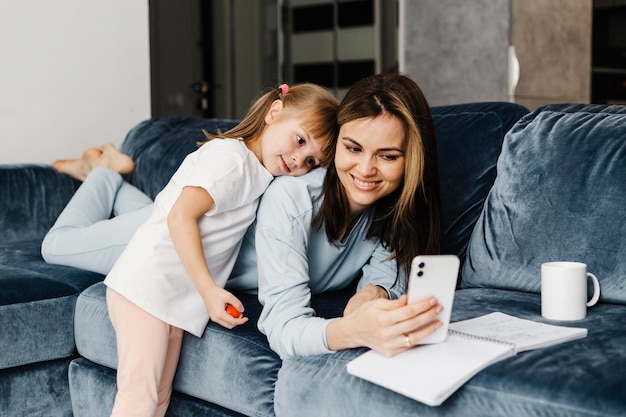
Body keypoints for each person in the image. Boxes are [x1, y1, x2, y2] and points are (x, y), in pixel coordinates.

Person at [45, 82, 339, 417]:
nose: (299, 159)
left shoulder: (258, 172)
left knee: (156, 400)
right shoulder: (233, 163)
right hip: (145, 291)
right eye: (300, 140)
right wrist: (209, 290)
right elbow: (180, 216)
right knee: (137, 399)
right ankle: (102, 173)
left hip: (168, 301)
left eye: (312, 160)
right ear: (274, 113)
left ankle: (106, 170)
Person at [227, 72, 444, 360]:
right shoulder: (292, 198)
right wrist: (351, 331)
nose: (365, 169)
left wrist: (372, 296)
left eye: (388, 156)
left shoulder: (393, 210)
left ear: (412, 161)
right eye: (353, 148)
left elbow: (386, 274)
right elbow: (283, 329)